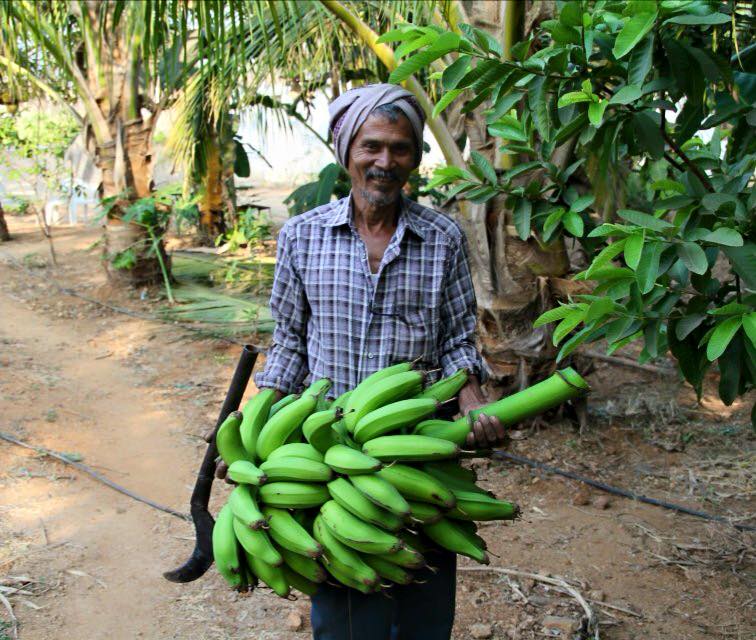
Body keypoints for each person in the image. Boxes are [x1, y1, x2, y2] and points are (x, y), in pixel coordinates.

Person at [230, 83, 506, 639]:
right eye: (372, 146)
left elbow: (456, 340)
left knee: (424, 611)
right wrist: (248, 433)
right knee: (347, 617)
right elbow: (288, 343)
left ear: (415, 157)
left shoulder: (442, 238)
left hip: (412, 445)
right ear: (347, 151)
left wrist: (474, 397)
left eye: (400, 148)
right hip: (325, 459)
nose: (385, 161)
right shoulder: (303, 237)